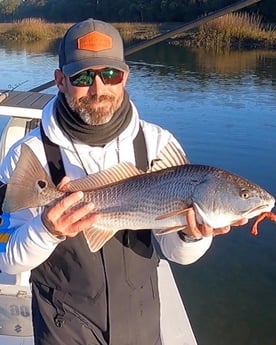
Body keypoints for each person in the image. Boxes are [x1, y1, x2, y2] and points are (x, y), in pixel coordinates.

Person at [0, 18, 247, 345]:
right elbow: (6, 256)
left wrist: (191, 236)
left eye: (110, 75)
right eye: (83, 76)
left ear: (125, 77)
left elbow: (175, 253)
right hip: (62, 324)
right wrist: (46, 230)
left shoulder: (158, 144)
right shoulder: (26, 155)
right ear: (60, 80)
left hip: (140, 320)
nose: (98, 89)